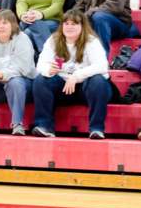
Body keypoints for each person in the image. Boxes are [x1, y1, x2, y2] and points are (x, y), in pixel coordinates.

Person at [32, 9, 111, 139]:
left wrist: (76, 76)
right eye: (66, 23)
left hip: (86, 88)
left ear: (82, 26)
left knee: (98, 80)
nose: (69, 27)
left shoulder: (91, 41)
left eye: (74, 24)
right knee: (41, 80)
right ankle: (44, 126)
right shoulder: (54, 40)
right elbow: (40, 65)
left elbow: (102, 66)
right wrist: (48, 69)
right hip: (63, 87)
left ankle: (96, 129)